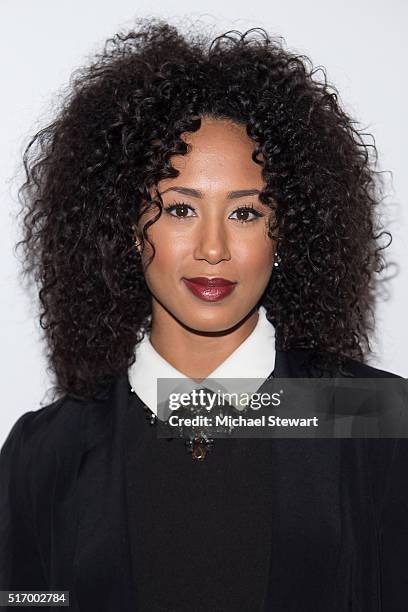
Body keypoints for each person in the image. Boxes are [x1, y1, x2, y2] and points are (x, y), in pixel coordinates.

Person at [0, 17, 406, 612]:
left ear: (287, 231)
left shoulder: (380, 425)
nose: (213, 248)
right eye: (180, 209)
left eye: (244, 214)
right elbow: (28, 602)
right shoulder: (43, 454)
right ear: (123, 225)